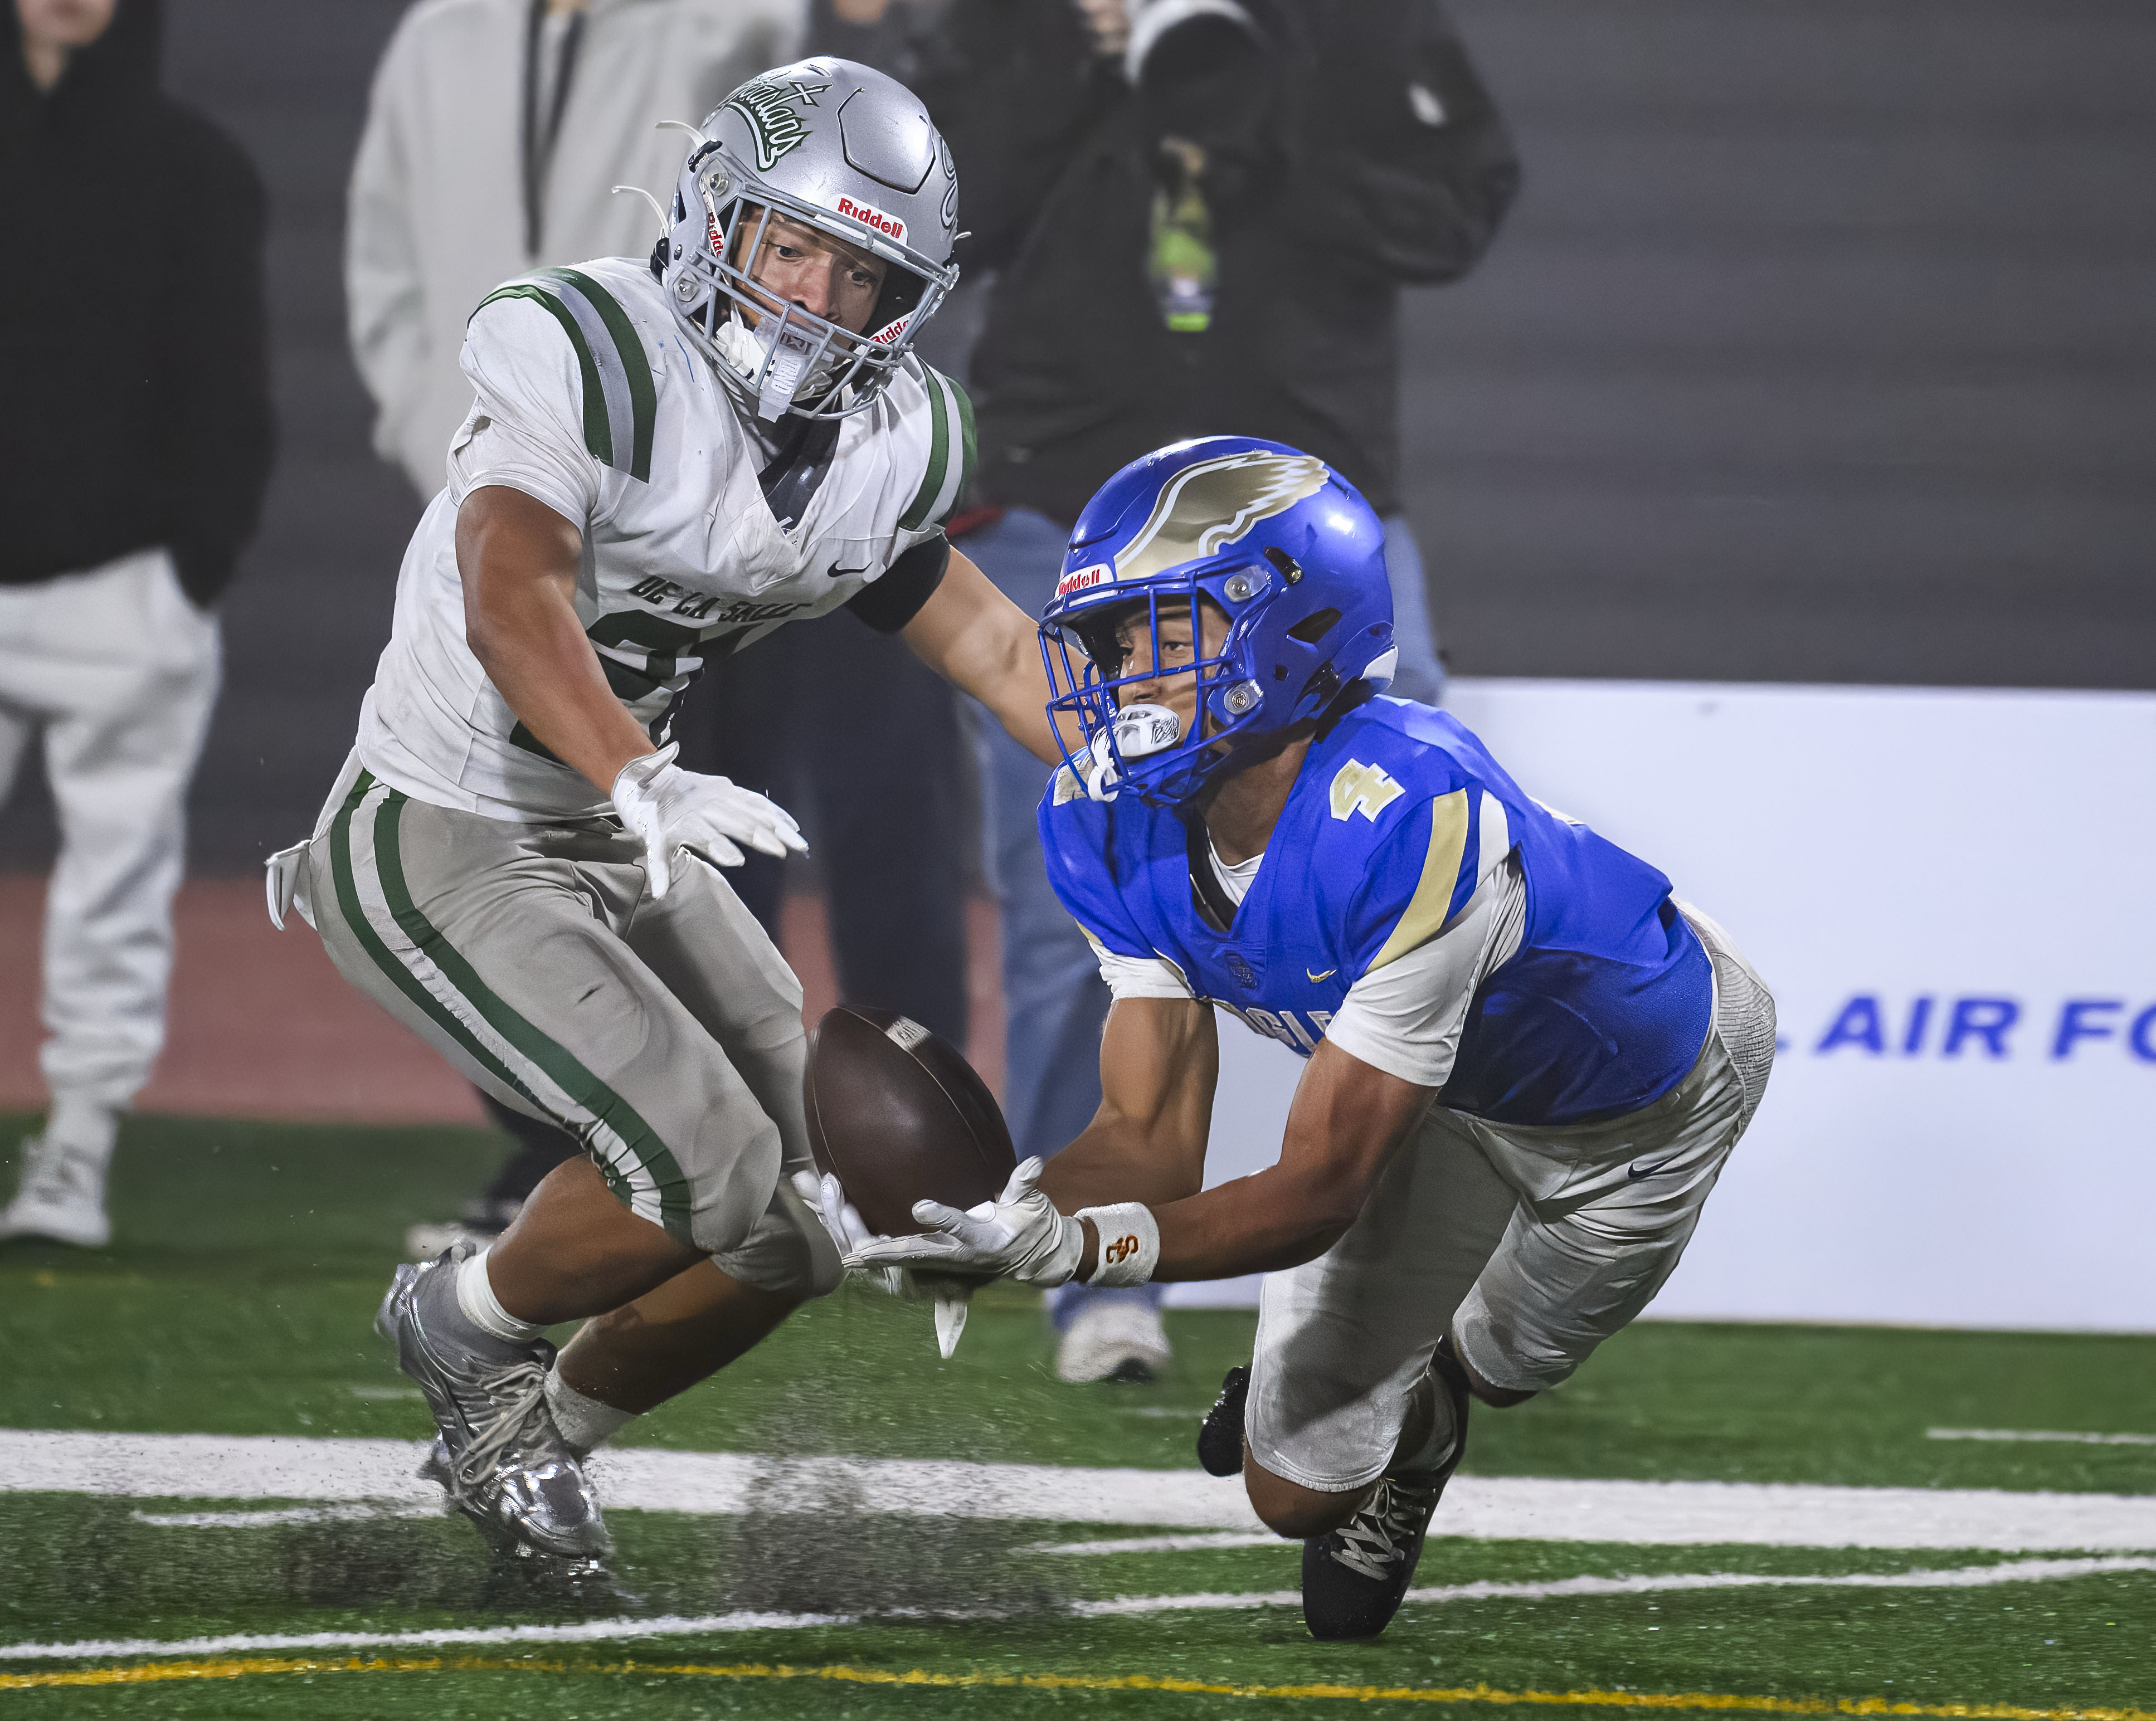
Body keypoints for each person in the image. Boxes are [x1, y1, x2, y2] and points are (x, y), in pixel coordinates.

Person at [270, 60, 1065, 1579]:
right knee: (695, 1171)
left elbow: (995, 649)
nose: (817, 299)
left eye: (859, 270)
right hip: (447, 816)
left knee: (804, 1228)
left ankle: (533, 1438)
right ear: (711, 216)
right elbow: (514, 597)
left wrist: (1159, 781)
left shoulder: (884, 440)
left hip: (626, 824)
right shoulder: (591, 348)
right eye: (790, 248)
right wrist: (634, 771)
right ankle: (453, 1323)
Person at [846, 437, 1777, 1642]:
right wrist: (996, 1215)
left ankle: (1442, 1400)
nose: (1119, 672)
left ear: (1289, 626)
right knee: (1293, 1494)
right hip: (1427, 1096)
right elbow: (1147, 1138)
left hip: (1638, 1107)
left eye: (1158, 632)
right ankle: (1406, 1438)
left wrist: (1082, 1251)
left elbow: (1319, 1191)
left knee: (1500, 1363)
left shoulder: (1408, 808)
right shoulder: (1108, 824)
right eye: (1114, 638)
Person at [915, 0, 1520, 1381]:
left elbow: (1452, 219)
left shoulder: (1365, 23)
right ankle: (1102, 1278)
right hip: (1072, 509)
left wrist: (1268, 91)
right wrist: (1089, 58)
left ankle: (1409, 1258)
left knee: (1424, 828)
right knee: (1079, 882)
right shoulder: (1026, 17)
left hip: (1305, 527)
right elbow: (946, 231)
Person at [346, 0, 807, 1256]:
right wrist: (446, 440)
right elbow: (385, 255)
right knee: (473, 803)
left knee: (684, 831)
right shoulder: (444, 35)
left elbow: (786, 221)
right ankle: (561, 1147)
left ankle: (719, 1138)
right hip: (506, 489)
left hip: (685, 516)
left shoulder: (726, 26)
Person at [0, 0, 273, 1246]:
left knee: (114, 887)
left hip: (126, 597)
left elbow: (228, 388)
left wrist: (188, 574)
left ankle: (79, 1150)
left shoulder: (197, 169)